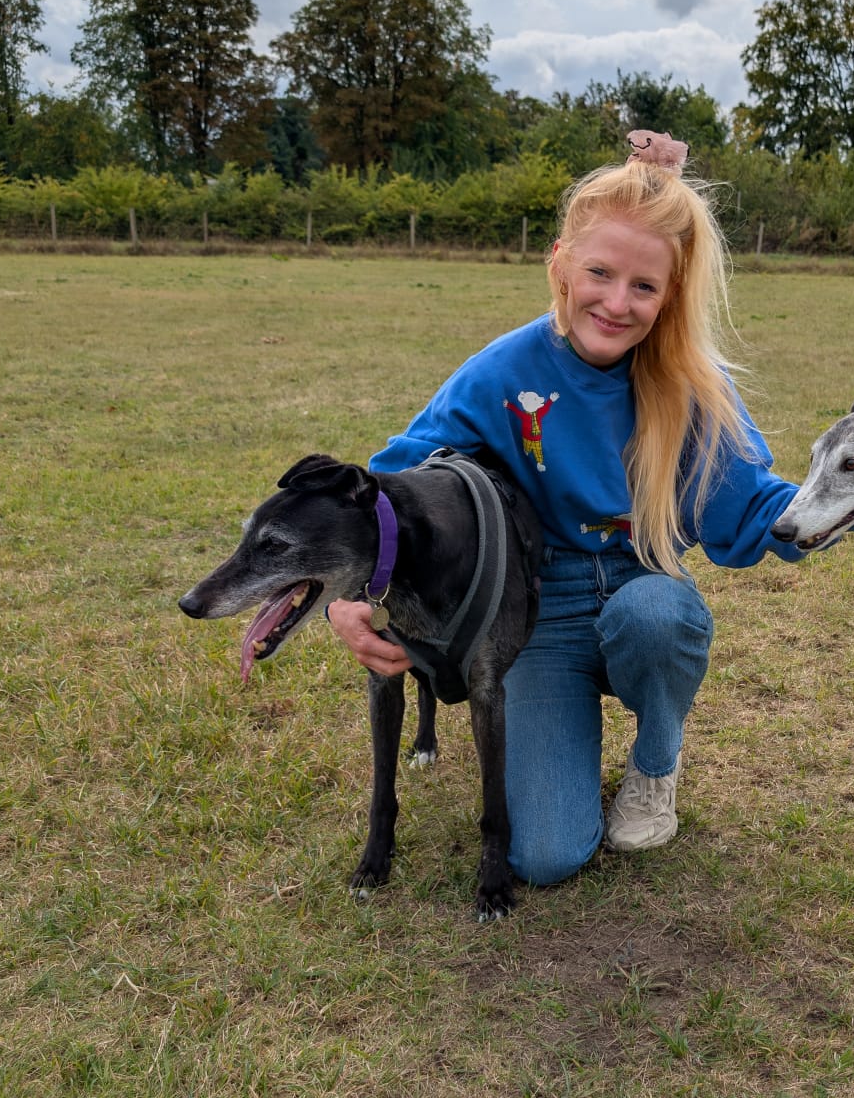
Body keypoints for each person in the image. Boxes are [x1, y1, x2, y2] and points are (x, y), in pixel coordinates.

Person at [327, 130, 819, 887]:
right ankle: (556, 730)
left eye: (645, 287)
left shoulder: (694, 383)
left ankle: (655, 763)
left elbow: (751, 506)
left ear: (671, 295)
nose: (617, 303)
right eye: (599, 273)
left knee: (658, 616)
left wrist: (850, 505)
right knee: (546, 856)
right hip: (537, 607)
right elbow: (391, 486)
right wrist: (352, 599)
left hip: (641, 584)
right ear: (559, 264)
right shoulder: (503, 370)